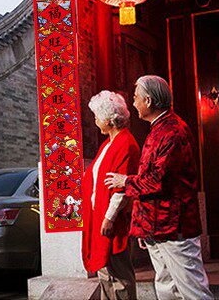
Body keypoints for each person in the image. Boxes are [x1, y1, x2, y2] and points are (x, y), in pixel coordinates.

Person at [105, 75, 213, 300]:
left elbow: (158, 181)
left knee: (193, 291)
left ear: (149, 101)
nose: (133, 103)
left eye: (136, 98)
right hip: (159, 225)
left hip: (173, 225)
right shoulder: (160, 129)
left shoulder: (172, 132)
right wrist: (144, 226)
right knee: (167, 288)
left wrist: (125, 181)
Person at [82, 91, 140, 300]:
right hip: (99, 214)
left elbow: (121, 188)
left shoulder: (125, 143)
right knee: (105, 272)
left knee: (119, 274)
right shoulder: (108, 144)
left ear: (108, 119)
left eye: (97, 116)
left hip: (111, 218)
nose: (95, 121)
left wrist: (109, 217)